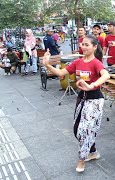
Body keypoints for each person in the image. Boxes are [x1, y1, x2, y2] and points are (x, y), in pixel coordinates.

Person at [42, 34, 110, 173]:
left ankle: (81, 160)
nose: (83, 47)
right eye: (82, 44)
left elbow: (106, 75)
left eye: (87, 45)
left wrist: (92, 85)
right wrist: (47, 64)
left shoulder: (96, 62)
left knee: (85, 131)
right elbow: (61, 72)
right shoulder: (78, 62)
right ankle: (93, 151)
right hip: (81, 98)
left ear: (94, 47)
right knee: (77, 129)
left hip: (95, 99)